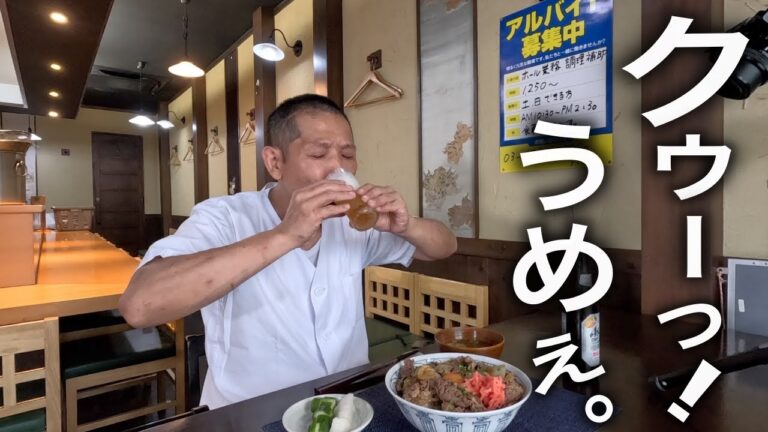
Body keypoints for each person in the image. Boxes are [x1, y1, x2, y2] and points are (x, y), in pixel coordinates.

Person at [119, 93, 457, 409]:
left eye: (347, 155)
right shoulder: (225, 217)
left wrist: (407, 225)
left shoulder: (352, 223)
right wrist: (286, 234)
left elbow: (444, 246)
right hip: (250, 413)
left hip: (346, 406)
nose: (337, 169)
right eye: (319, 154)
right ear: (275, 162)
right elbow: (140, 305)